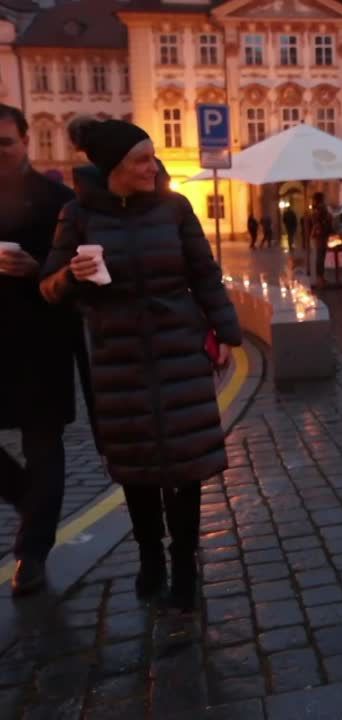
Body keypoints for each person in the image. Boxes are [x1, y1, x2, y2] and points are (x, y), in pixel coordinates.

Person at [40, 118, 242, 611]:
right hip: (119, 357)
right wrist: (71, 275)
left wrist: (227, 334)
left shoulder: (175, 210)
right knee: (136, 468)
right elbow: (49, 287)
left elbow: (205, 275)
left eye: (152, 158)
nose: (154, 167)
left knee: (187, 463)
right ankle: (150, 555)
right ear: (114, 167)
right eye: (142, 160)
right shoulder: (78, 215)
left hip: (179, 348)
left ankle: (186, 562)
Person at [0, 104, 80, 595]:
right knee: (36, 476)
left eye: (5, 143)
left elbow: (78, 277)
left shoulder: (58, 200)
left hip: (42, 341)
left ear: (26, 142)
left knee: (44, 446)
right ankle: (32, 499)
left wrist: (39, 273)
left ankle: (32, 552)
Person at [308, 192, 334, 286]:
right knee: (320, 256)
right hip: (321, 235)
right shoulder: (320, 208)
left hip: (319, 234)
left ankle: (320, 277)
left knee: (320, 256)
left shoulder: (317, 208)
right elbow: (321, 221)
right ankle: (320, 278)